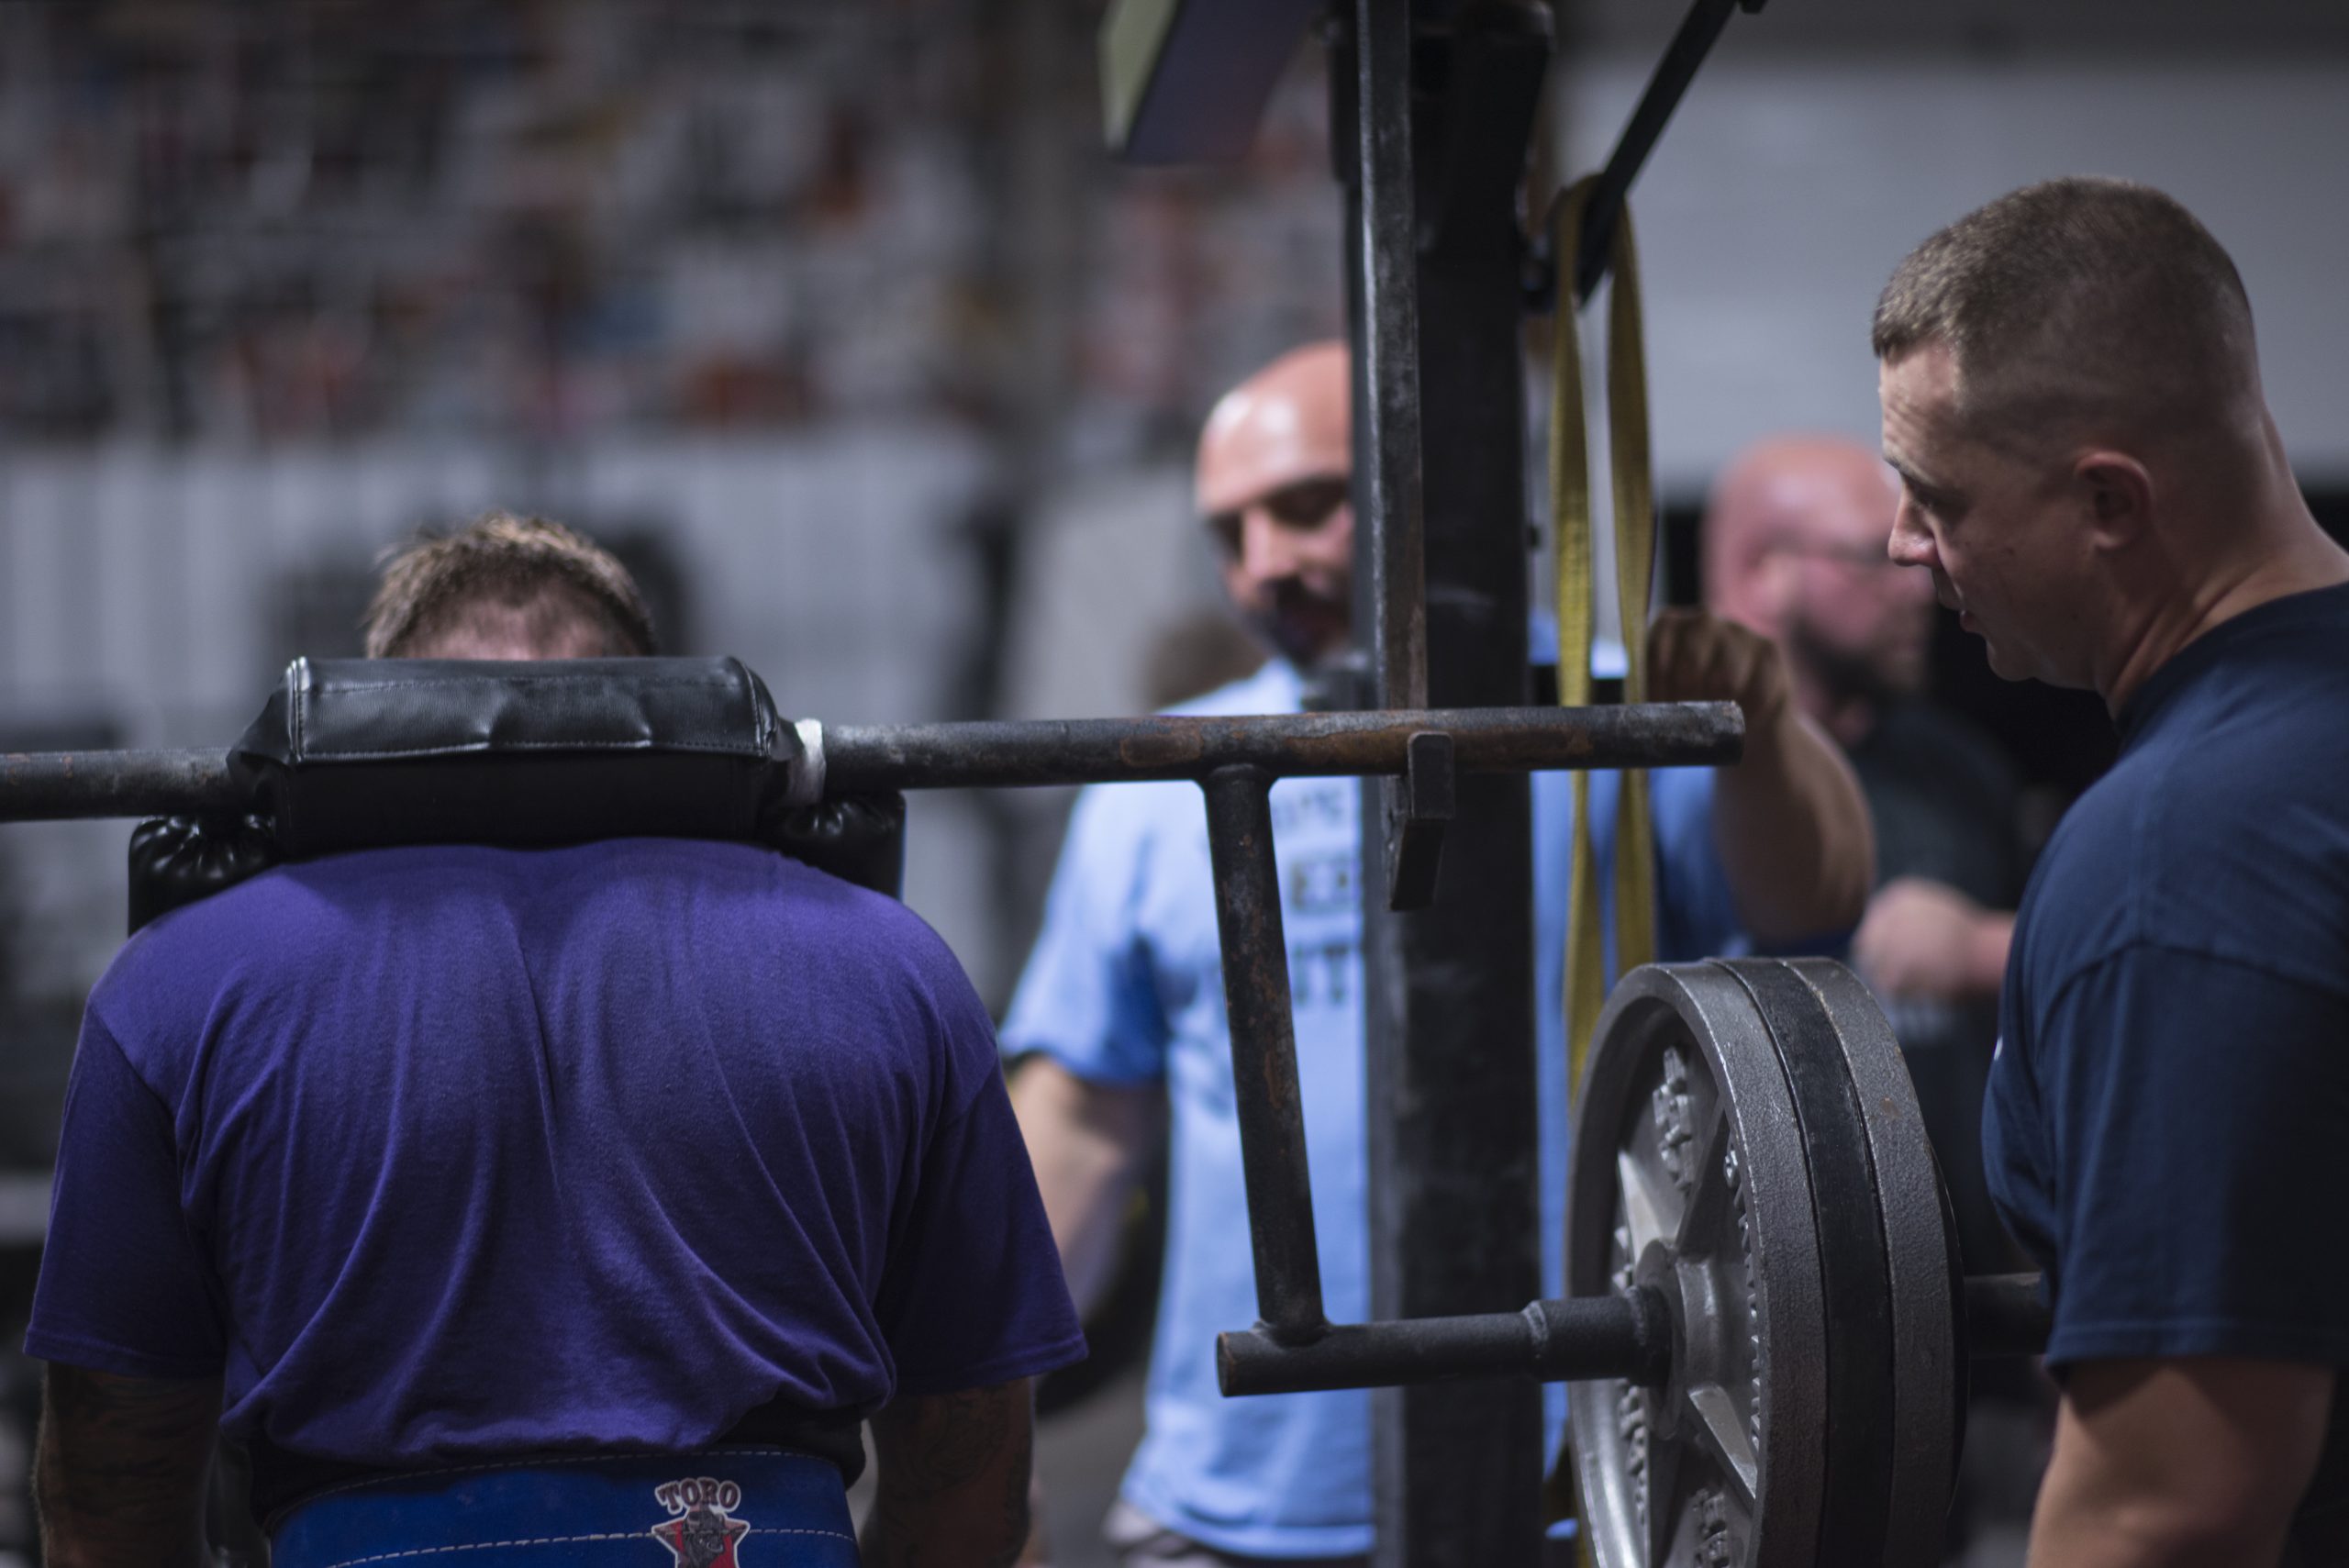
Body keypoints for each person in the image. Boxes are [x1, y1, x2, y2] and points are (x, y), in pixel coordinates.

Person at [27, 514, 1084, 1568]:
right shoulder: (894, 967)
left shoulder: (178, 984)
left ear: (384, 703)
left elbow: (110, 1500)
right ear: (642, 694)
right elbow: (968, 1483)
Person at [1006, 341, 1873, 1564]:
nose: (1263, 566)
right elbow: (1081, 1125)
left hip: (1578, 1497)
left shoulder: (1611, 717)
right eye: (1230, 531)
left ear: (1436, 494)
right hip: (1227, 1515)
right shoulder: (1165, 777)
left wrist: (1759, 731)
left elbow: (1816, 903)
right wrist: (973, 1438)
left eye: (1304, 506)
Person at [1875, 177, 2349, 1566]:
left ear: (2106, 502)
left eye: (1935, 498)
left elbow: (2166, 1509)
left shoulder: (2176, 857)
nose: (1908, 544)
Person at [1701, 436, 2027, 1265]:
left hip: (1975, 1302)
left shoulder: (1960, 767)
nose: (1917, 592)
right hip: (1782, 1303)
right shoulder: (1681, 791)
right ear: (1761, 575)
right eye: (1871, 559)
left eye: (1917, 559)